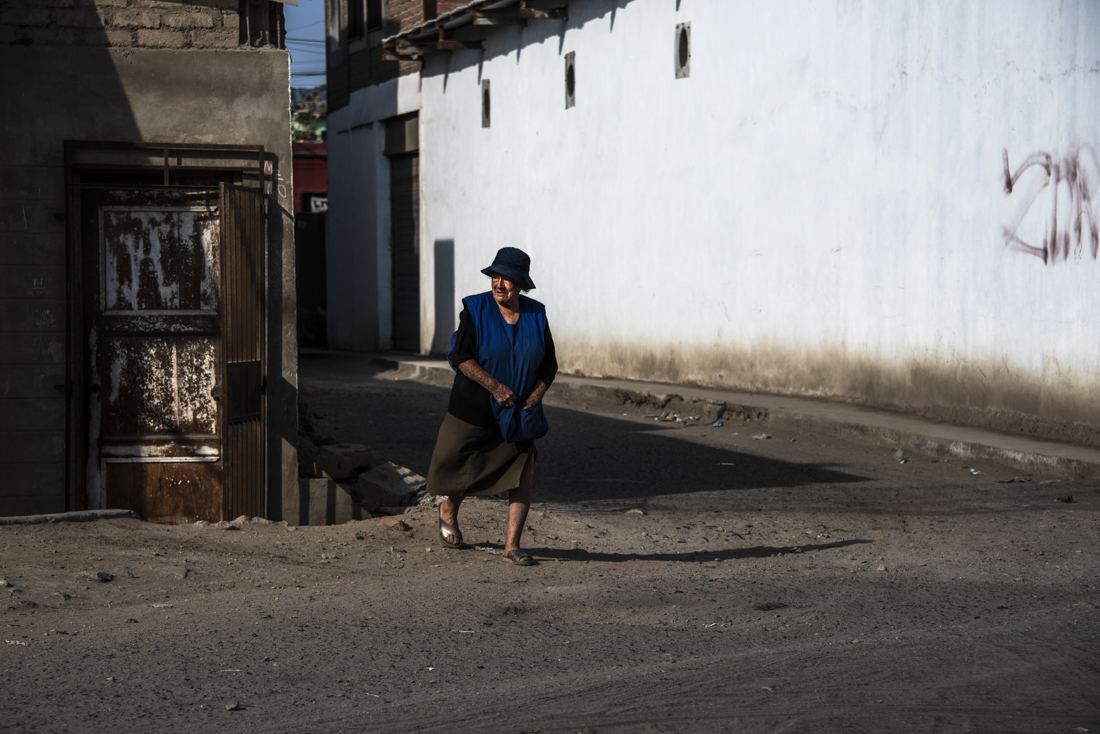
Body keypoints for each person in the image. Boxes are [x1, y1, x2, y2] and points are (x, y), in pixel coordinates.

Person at [426, 247, 557, 566]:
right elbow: (460, 357)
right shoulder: (475, 309)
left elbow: (549, 364)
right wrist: (495, 387)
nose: (499, 284)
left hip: (519, 413)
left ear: (520, 283)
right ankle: (449, 509)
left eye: (507, 279)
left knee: (523, 474)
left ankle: (512, 545)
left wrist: (535, 395)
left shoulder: (536, 314)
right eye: (495, 276)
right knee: (466, 471)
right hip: (474, 409)